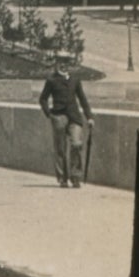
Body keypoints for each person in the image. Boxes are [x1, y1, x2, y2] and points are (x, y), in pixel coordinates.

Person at [39, 51, 94, 188]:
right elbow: (43, 99)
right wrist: (49, 114)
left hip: (74, 116)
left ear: (69, 65)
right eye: (60, 62)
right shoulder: (51, 80)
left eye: (66, 62)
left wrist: (89, 117)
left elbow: (82, 99)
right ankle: (62, 178)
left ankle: (75, 176)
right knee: (60, 148)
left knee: (76, 144)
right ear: (56, 63)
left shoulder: (75, 80)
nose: (63, 65)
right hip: (58, 116)